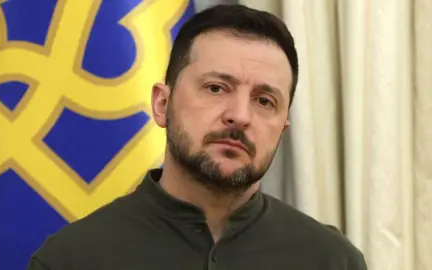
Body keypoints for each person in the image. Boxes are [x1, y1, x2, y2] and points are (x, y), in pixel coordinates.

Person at [27, 4, 367, 270]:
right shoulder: (70, 259)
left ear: (282, 128)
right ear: (162, 104)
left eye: (265, 101)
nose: (240, 115)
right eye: (216, 88)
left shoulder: (332, 261)